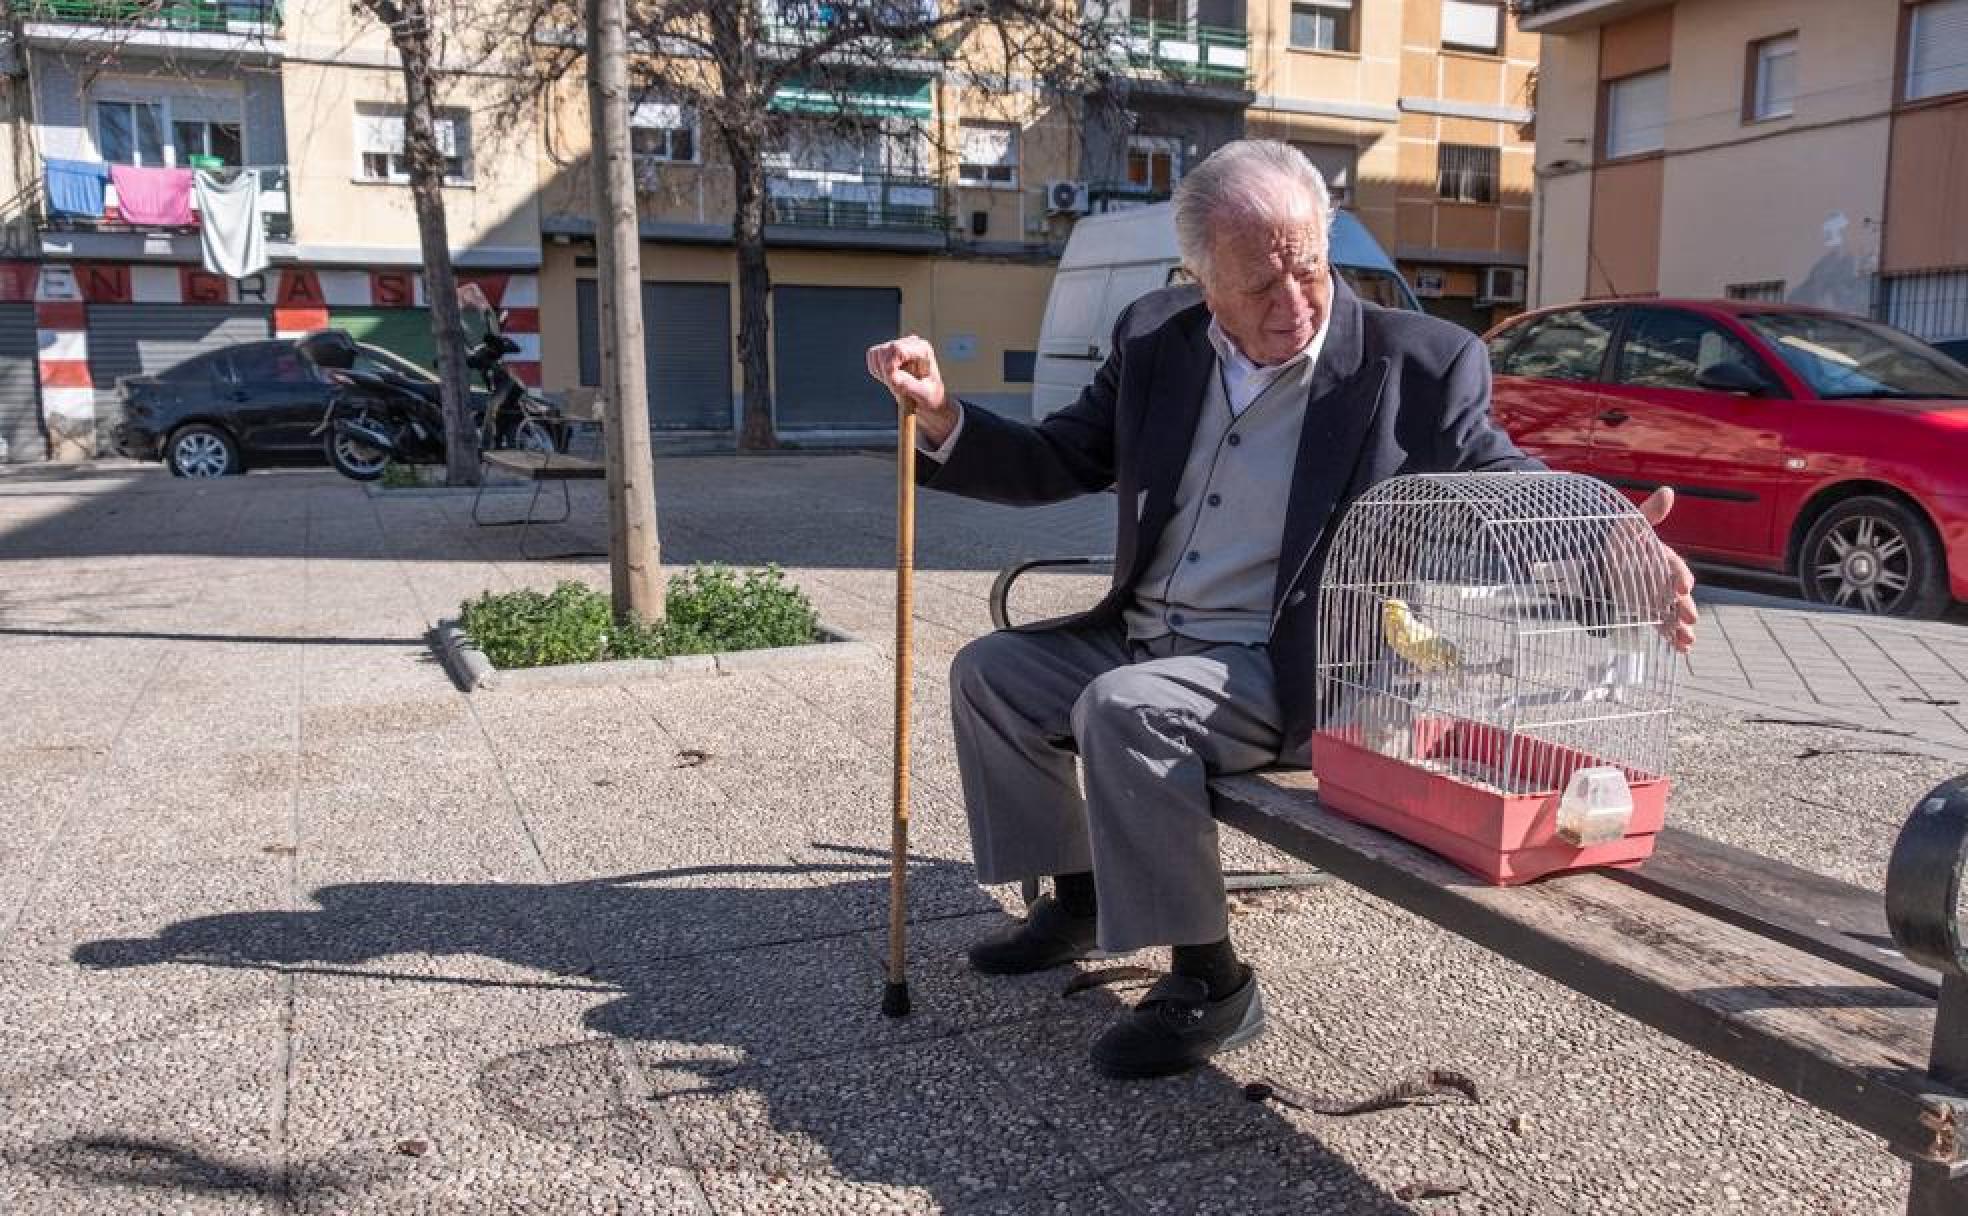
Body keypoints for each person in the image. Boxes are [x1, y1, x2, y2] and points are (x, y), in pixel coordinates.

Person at [864, 140, 1698, 1080]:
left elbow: (1494, 471)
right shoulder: (1155, 337)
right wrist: (941, 418)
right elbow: (1062, 457)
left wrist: (1605, 534)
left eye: (1309, 266)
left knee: (1127, 709)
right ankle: (1082, 897)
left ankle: (1210, 982)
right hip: (1147, 632)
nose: (1293, 302)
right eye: (1259, 281)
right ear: (1198, 277)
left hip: (1288, 664)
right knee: (992, 675)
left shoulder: (1417, 362)